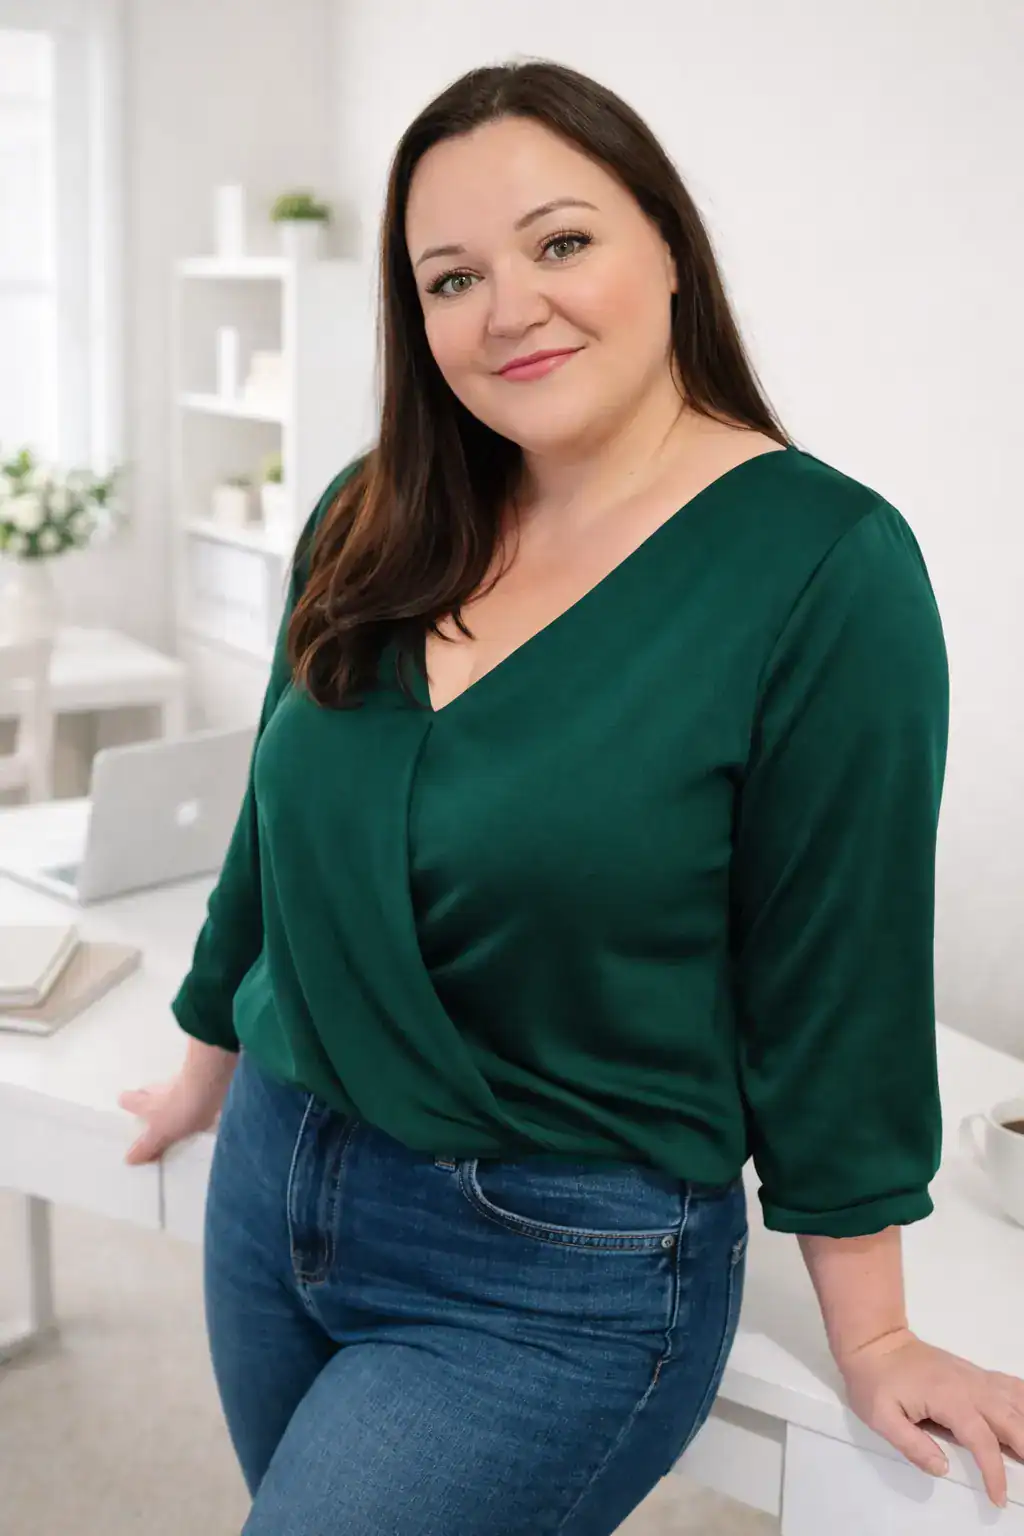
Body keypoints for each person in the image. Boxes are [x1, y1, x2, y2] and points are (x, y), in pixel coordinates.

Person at [119, 58, 1024, 1535]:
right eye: (451, 275)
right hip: (276, 1175)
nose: (508, 307)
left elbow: (835, 973)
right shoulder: (373, 507)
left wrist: (874, 1334)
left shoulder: (823, 569)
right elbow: (276, 829)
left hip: (548, 1268)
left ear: (666, 244)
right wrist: (209, 1063)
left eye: (560, 242)